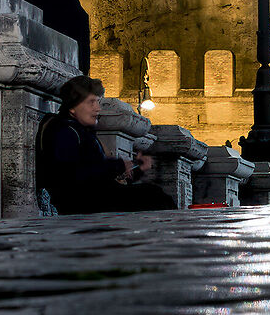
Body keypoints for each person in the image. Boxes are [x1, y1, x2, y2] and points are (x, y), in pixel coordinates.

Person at [38, 75, 174, 214]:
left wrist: (134, 169)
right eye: (91, 102)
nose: (97, 108)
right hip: (84, 205)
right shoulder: (64, 131)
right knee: (155, 197)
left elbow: (96, 173)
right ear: (73, 107)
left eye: (98, 102)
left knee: (155, 195)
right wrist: (118, 166)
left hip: (97, 200)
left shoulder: (80, 130)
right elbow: (72, 176)